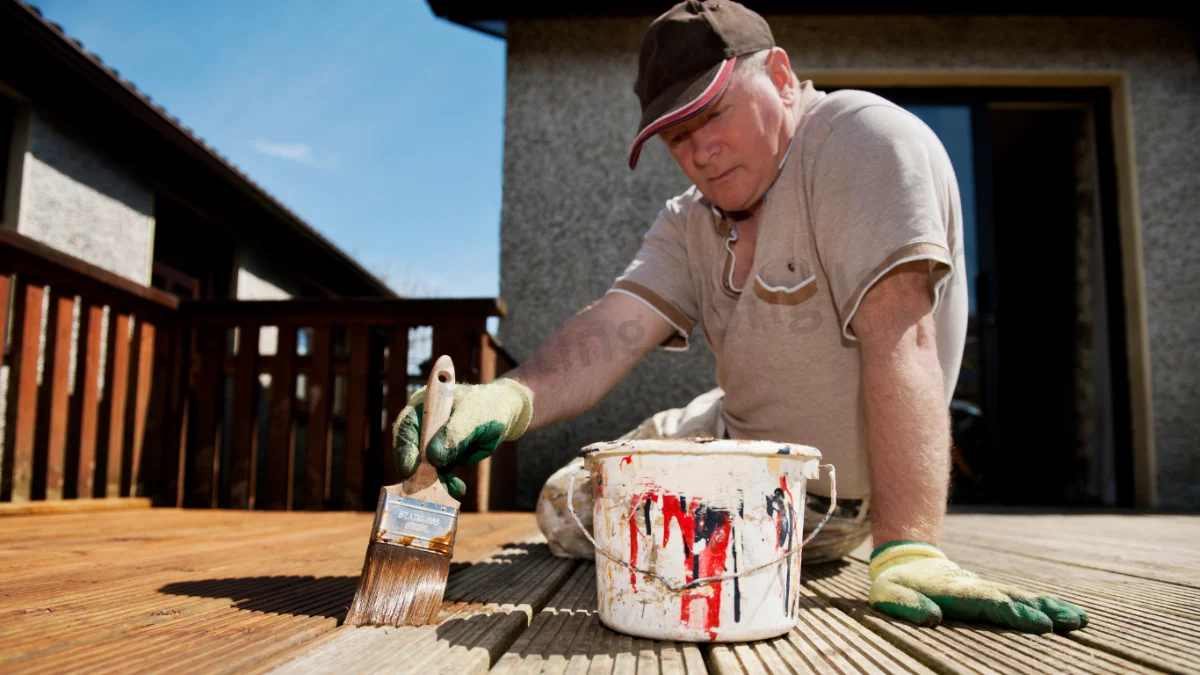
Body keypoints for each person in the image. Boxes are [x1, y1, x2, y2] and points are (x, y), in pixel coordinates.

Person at [391, 0, 1088, 635]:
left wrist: (909, 546)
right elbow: (612, 330)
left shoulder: (864, 142)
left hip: (824, 502)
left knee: (612, 517)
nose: (698, 151)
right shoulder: (688, 221)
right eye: (676, 137)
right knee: (561, 504)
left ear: (781, 76)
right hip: (725, 443)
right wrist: (506, 400)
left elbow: (902, 335)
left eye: (712, 113)